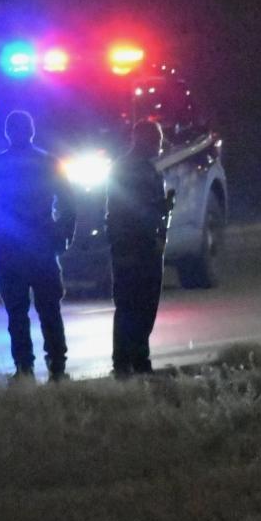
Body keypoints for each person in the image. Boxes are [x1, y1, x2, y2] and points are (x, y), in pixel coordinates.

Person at [0, 110, 77, 382]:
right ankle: (57, 366)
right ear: (32, 131)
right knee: (49, 310)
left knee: (16, 313)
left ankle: (24, 368)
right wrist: (64, 233)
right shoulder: (47, 162)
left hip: (10, 247)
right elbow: (69, 201)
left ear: (8, 132)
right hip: (42, 245)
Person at [106, 119, 176, 377]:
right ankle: (134, 361)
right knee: (139, 305)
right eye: (156, 142)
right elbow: (139, 211)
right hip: (138, 246)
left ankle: (127, 360)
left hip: (130, 246)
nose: (159, 147)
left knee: (132, 306)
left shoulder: (123, 168)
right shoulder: (141, 171)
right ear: (144, 140)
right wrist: (162, 207)